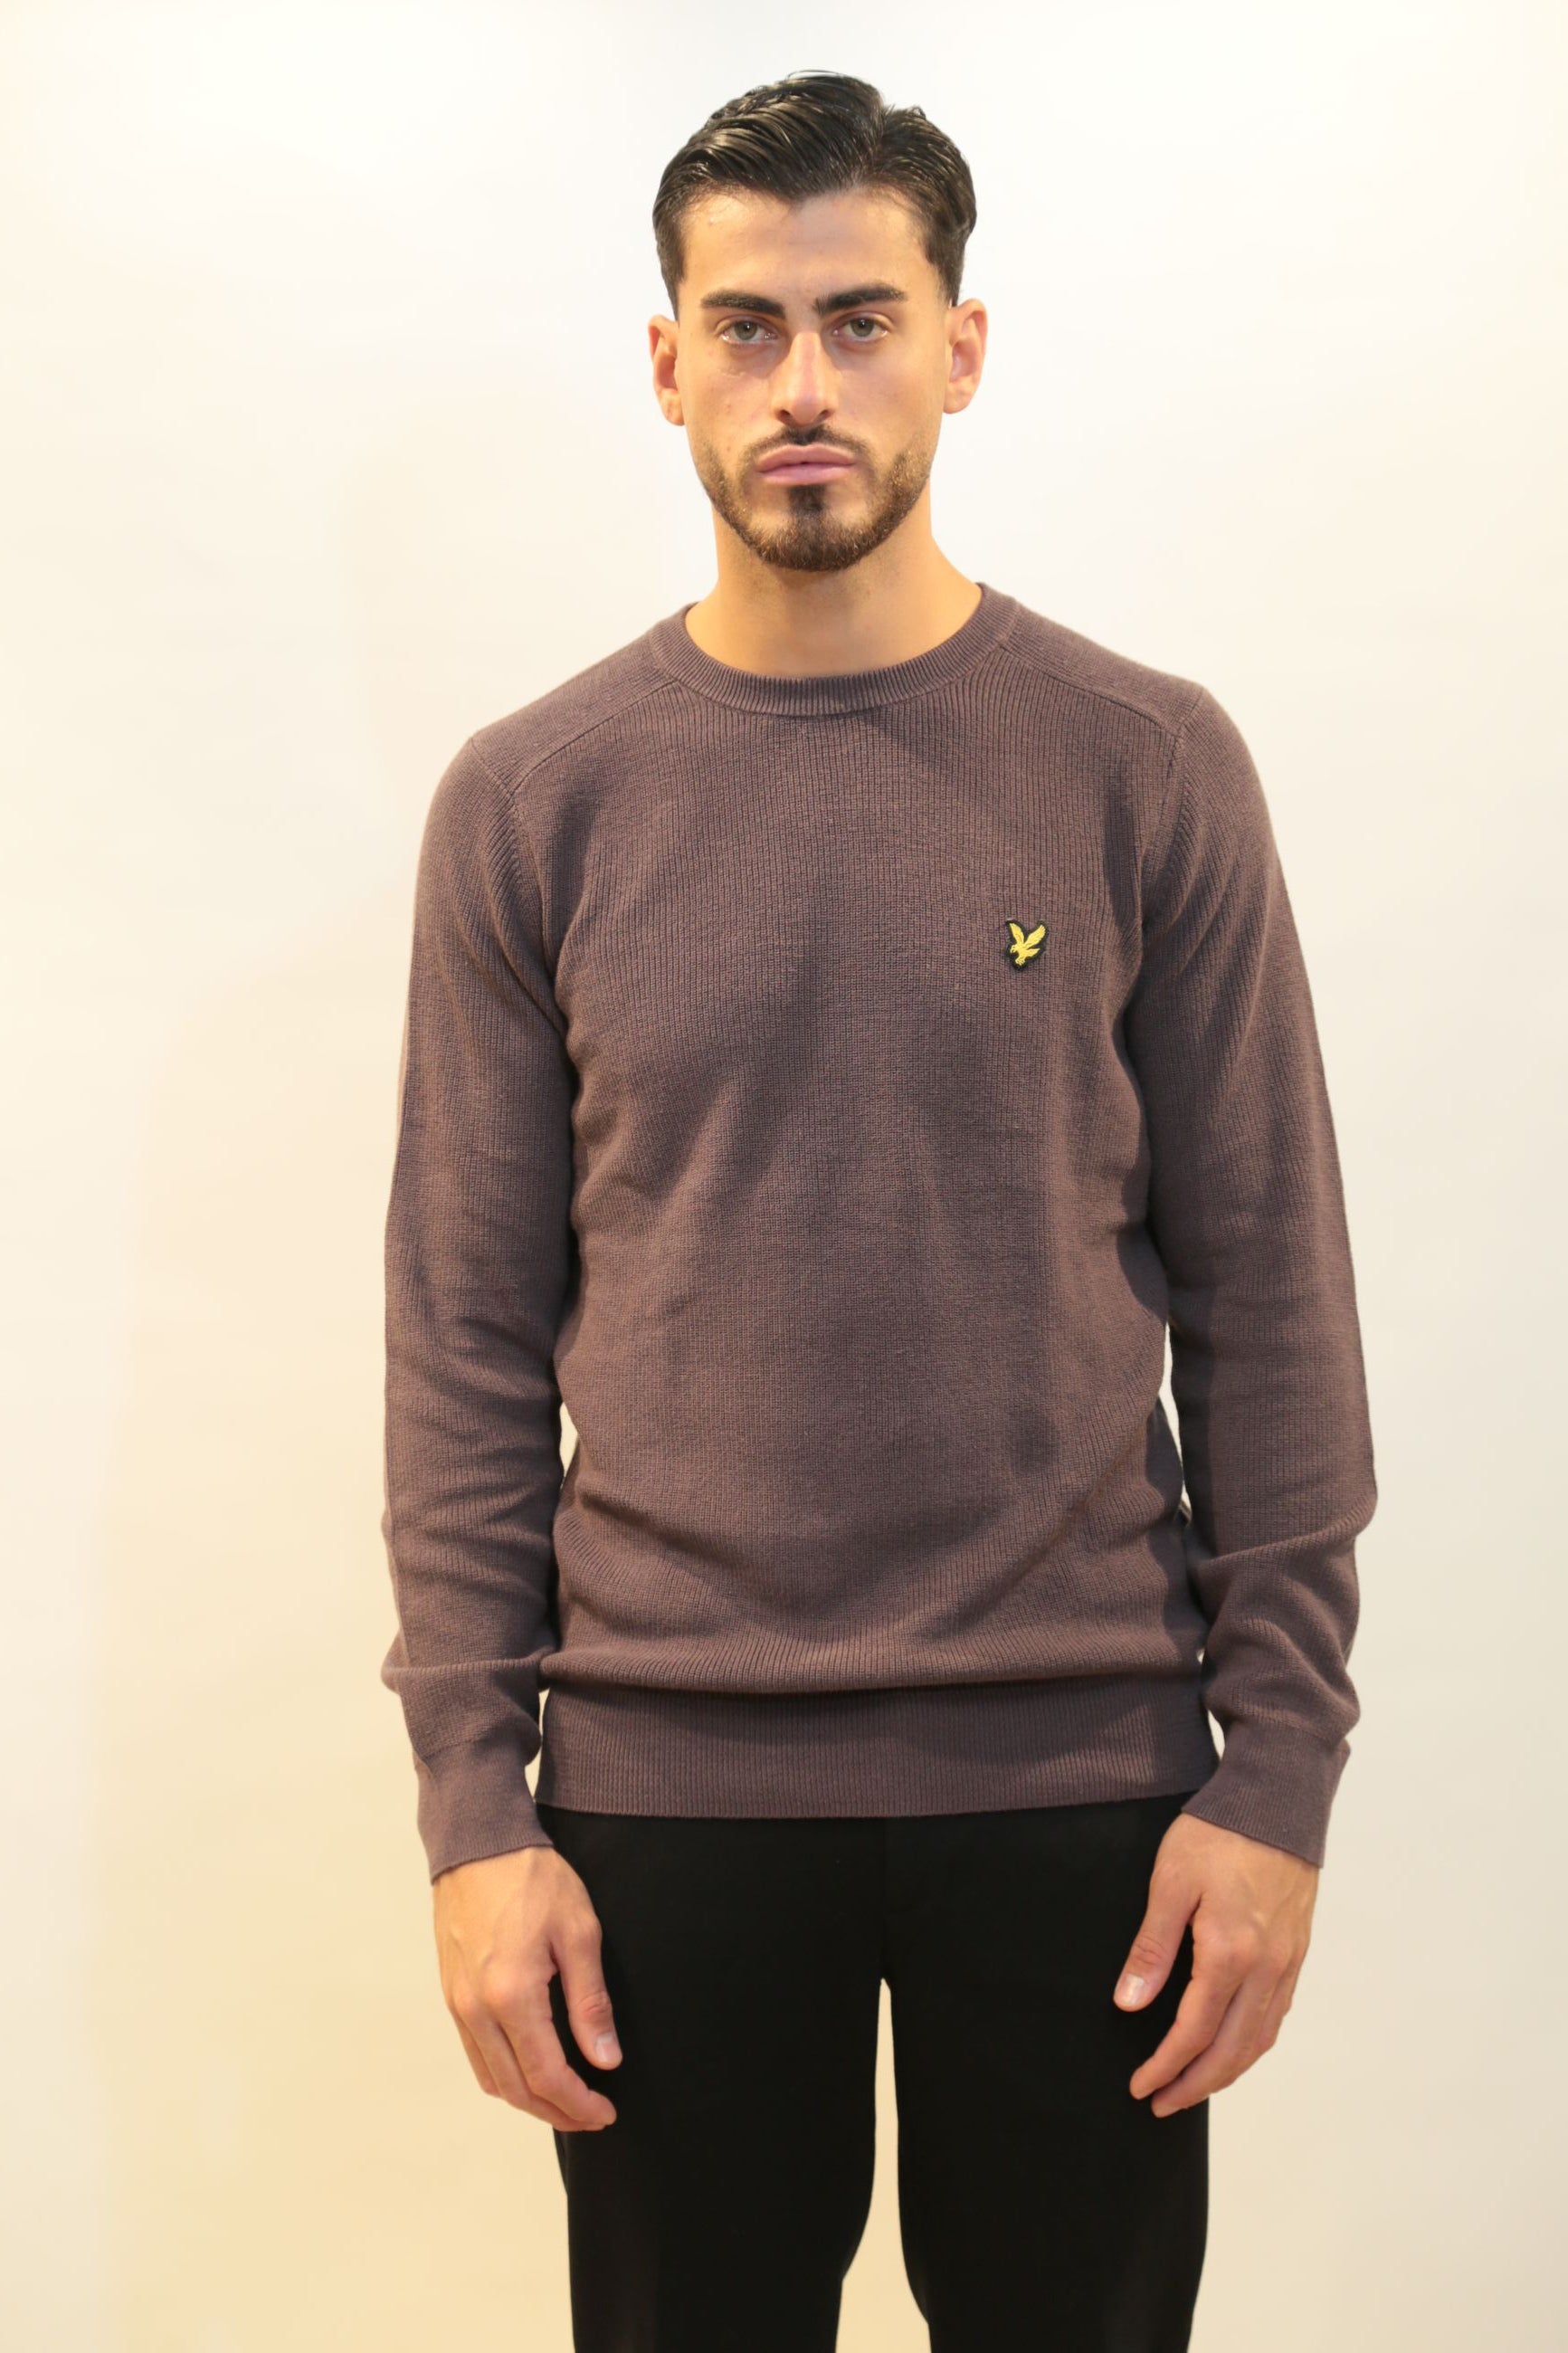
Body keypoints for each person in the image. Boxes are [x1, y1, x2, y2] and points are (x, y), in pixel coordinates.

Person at [377, 69, 1377, 2353]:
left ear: (961, 346)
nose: (803, 384)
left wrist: (1281, 1778)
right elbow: (461, 1338)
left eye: (859, 319)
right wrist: (473, 1810)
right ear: (668, 366)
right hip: (665, 1795)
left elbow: (1272, 1295)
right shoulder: (534, 804)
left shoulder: (1145, 762)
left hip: (1090, 1789)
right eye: (747, 326)